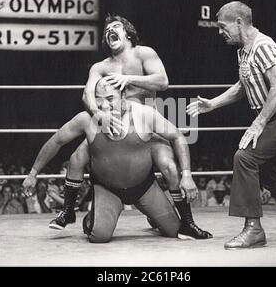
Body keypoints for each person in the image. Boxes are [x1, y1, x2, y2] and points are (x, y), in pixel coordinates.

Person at [45, 14, 211, 239]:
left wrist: (129, 80)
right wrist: (97, 114)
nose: (109, 31)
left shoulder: (143, 53)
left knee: (168, 166)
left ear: (128, 33)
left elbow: (162, 81)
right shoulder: (101, 66)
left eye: (115, 27)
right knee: (77, 158)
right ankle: (70, 212)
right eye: (106, 31)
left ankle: (186, 222)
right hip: (110, 127)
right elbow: (87, 93)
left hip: (145, 128)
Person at [187, 1, 276, 249]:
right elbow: (242, 85)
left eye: (223, 27)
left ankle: (253, 230)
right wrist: (212, 104)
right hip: (272, 116)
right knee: (272, 177)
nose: (220, 32)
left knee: (244, 158)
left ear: (239, 22)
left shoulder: (264, 46)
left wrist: (258, 123)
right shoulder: (243, 50)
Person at [23, 78, 198, 242]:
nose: (104, 105)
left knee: (174, 231)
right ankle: (87, 217)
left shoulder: (144, 114)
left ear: (123, 96)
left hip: (144, 186)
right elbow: (57, 140)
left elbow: (177, 136)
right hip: (108, 189)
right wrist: (33, 173)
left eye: (110, 98)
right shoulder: (87, 119)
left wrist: (187, 174)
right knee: (99, 236)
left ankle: (155, 217)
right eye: (99, 99)